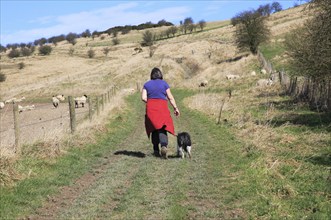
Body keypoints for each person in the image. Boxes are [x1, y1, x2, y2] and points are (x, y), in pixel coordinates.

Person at [141, 67, 180, 159]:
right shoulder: (164, 84)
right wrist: (175, 108)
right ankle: (164, 146)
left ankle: (155, 150)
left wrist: (150, 102)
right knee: (163, 127)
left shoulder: (147, 84)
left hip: (151, 108)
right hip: (162, 107)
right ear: (160, 75)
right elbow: (170, 97)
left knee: (153, 128)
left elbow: (143, 97)